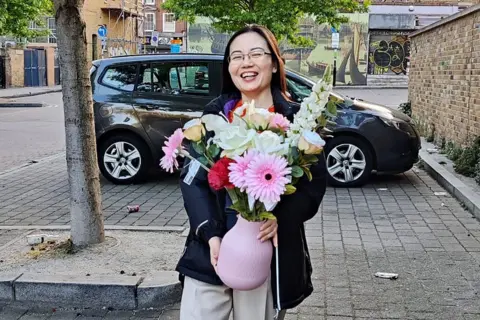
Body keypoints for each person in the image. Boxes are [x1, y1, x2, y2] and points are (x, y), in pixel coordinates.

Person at [176, 24, 327, 320]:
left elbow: (312, 185)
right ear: (228, 67)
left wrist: (279, 220)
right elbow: (192, 181)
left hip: (264, 251)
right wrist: (210, 234)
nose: (246, 62)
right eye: (236, 56)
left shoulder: (296, 122)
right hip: (212, 250)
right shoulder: (214, 116)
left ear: (273, 63)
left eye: (256, 54)